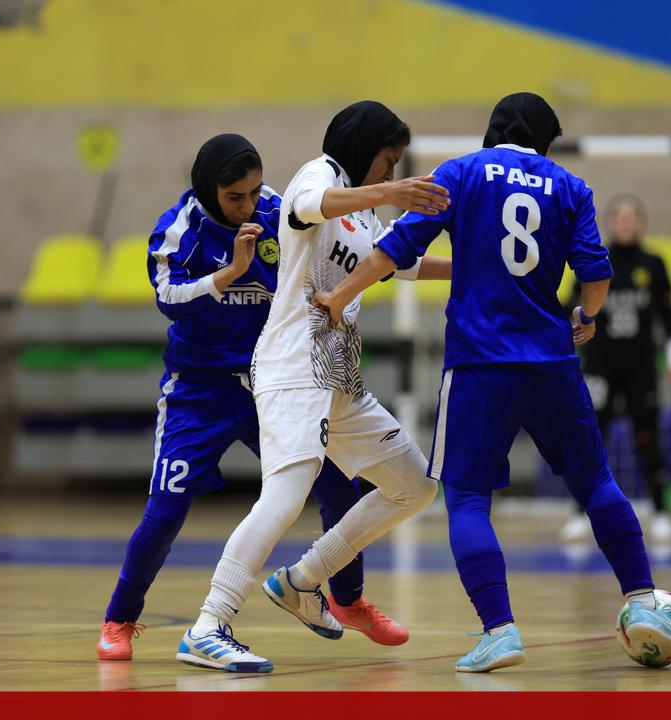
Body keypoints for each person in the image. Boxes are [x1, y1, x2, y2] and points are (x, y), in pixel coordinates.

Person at [313, 93, 671, 672]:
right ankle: (642, 600)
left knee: (467, 498)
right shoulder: (571, 187)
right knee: (595, 480)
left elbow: (395, 250)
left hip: (477, 364)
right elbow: (597, 274)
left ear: (493, 131)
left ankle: (499, 631)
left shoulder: (459, 173)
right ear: (544, 139)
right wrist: (586, 319)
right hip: (551, 360)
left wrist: (339, 296)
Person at [97, 133, 407, 662]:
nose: (248, 205)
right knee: (166, 509)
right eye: (234, 197)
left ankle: (347, 599)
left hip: (274, 382)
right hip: (199, 391)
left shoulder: (276, 211)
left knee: (340, 486)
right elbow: (168, 298)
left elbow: (321, 256)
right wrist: (230, 274)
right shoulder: (179, 229)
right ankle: (120, 618)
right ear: (207, 188)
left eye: (254, 191)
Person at [176, 101, 451, 673]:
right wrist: (389, 195)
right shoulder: (319, 174)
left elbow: (400, 265)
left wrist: (472, 266)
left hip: (337, 374)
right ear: (363, 145)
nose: (390, 173)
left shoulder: (364, 211)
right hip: (292, 363)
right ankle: (208, 623)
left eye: (396, 165)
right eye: (387, 160)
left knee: (416, 484)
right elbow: (307, 208)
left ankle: (304, 581)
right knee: (286, 494)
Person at [560, 194, 671, 545]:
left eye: (632, 218)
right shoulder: (594, 261)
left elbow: (669, 317)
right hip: (600, 366)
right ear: (611, 223)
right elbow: (572, 305)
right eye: (620, 218)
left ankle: (660, 512)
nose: (626, 224)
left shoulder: (654, 264)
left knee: (648, 438)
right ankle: (580, 513)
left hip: (640, 368)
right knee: (590, 439)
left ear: (640, 223)